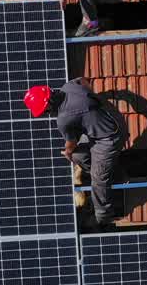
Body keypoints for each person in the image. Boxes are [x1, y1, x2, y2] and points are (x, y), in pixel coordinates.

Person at [23, 79, 127, 228]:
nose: (47, 114)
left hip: (109, 138)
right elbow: (83, 81)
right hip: (106, 121)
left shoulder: (64, 119)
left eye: (45, 110)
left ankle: (103, 217)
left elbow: (71, 143)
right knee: (79, 156)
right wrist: (91, 98)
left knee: (98, 180)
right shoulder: (69, 87)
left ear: (49, 103)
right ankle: (112, 172)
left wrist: (67, 152)